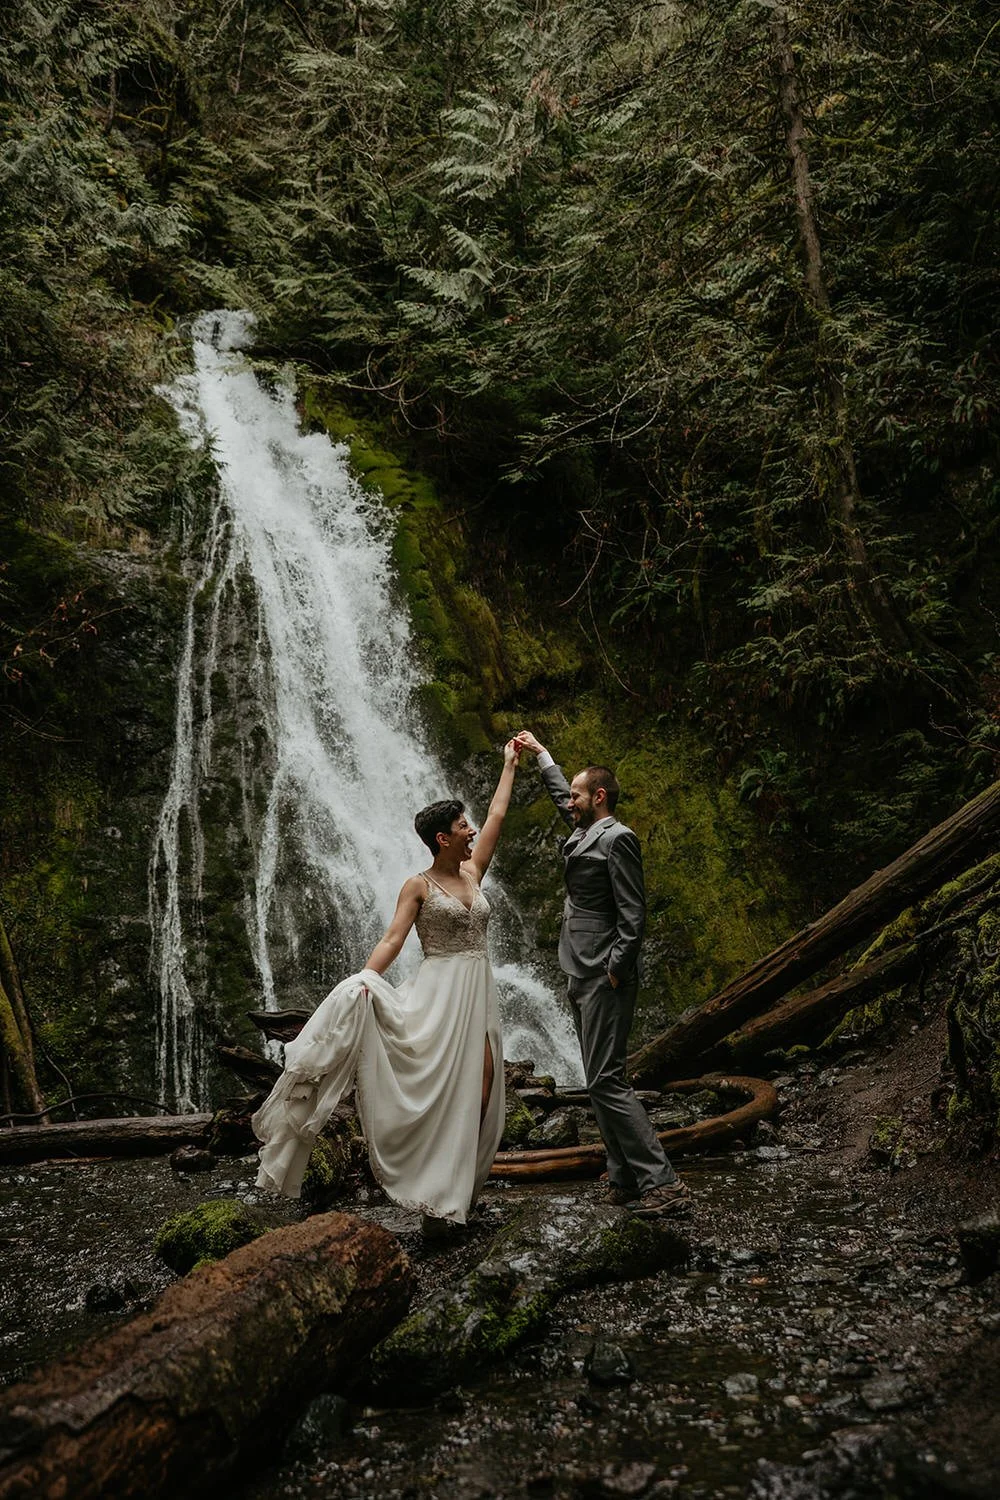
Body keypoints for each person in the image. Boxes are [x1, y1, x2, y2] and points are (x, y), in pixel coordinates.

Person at [253, 740, 521, 1237]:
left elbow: (499, 817)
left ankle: (458, 1189)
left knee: (482, 1091)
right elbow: (393, 939)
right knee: (443, 1092)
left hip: (478, 995)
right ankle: (440, 1203)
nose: (473, 831)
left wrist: (509, 764)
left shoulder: (473, 871)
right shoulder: (417, 886)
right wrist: (363, 981)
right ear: (443, 838)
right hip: (439, 994)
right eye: (465, 826)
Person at [514, 730, 689, 1218]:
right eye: (567, 794)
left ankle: (663, 1182)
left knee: (608, 1080)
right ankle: (624, 1176)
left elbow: (634, 914)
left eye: (575, 794)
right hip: (579, 966)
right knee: (597, 1080)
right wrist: (541, 755)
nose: (567, 801)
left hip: (602, 972)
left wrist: (616, 969)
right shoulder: (582, 829)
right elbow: (558, 795)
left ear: (599, 798)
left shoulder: (619, 839)